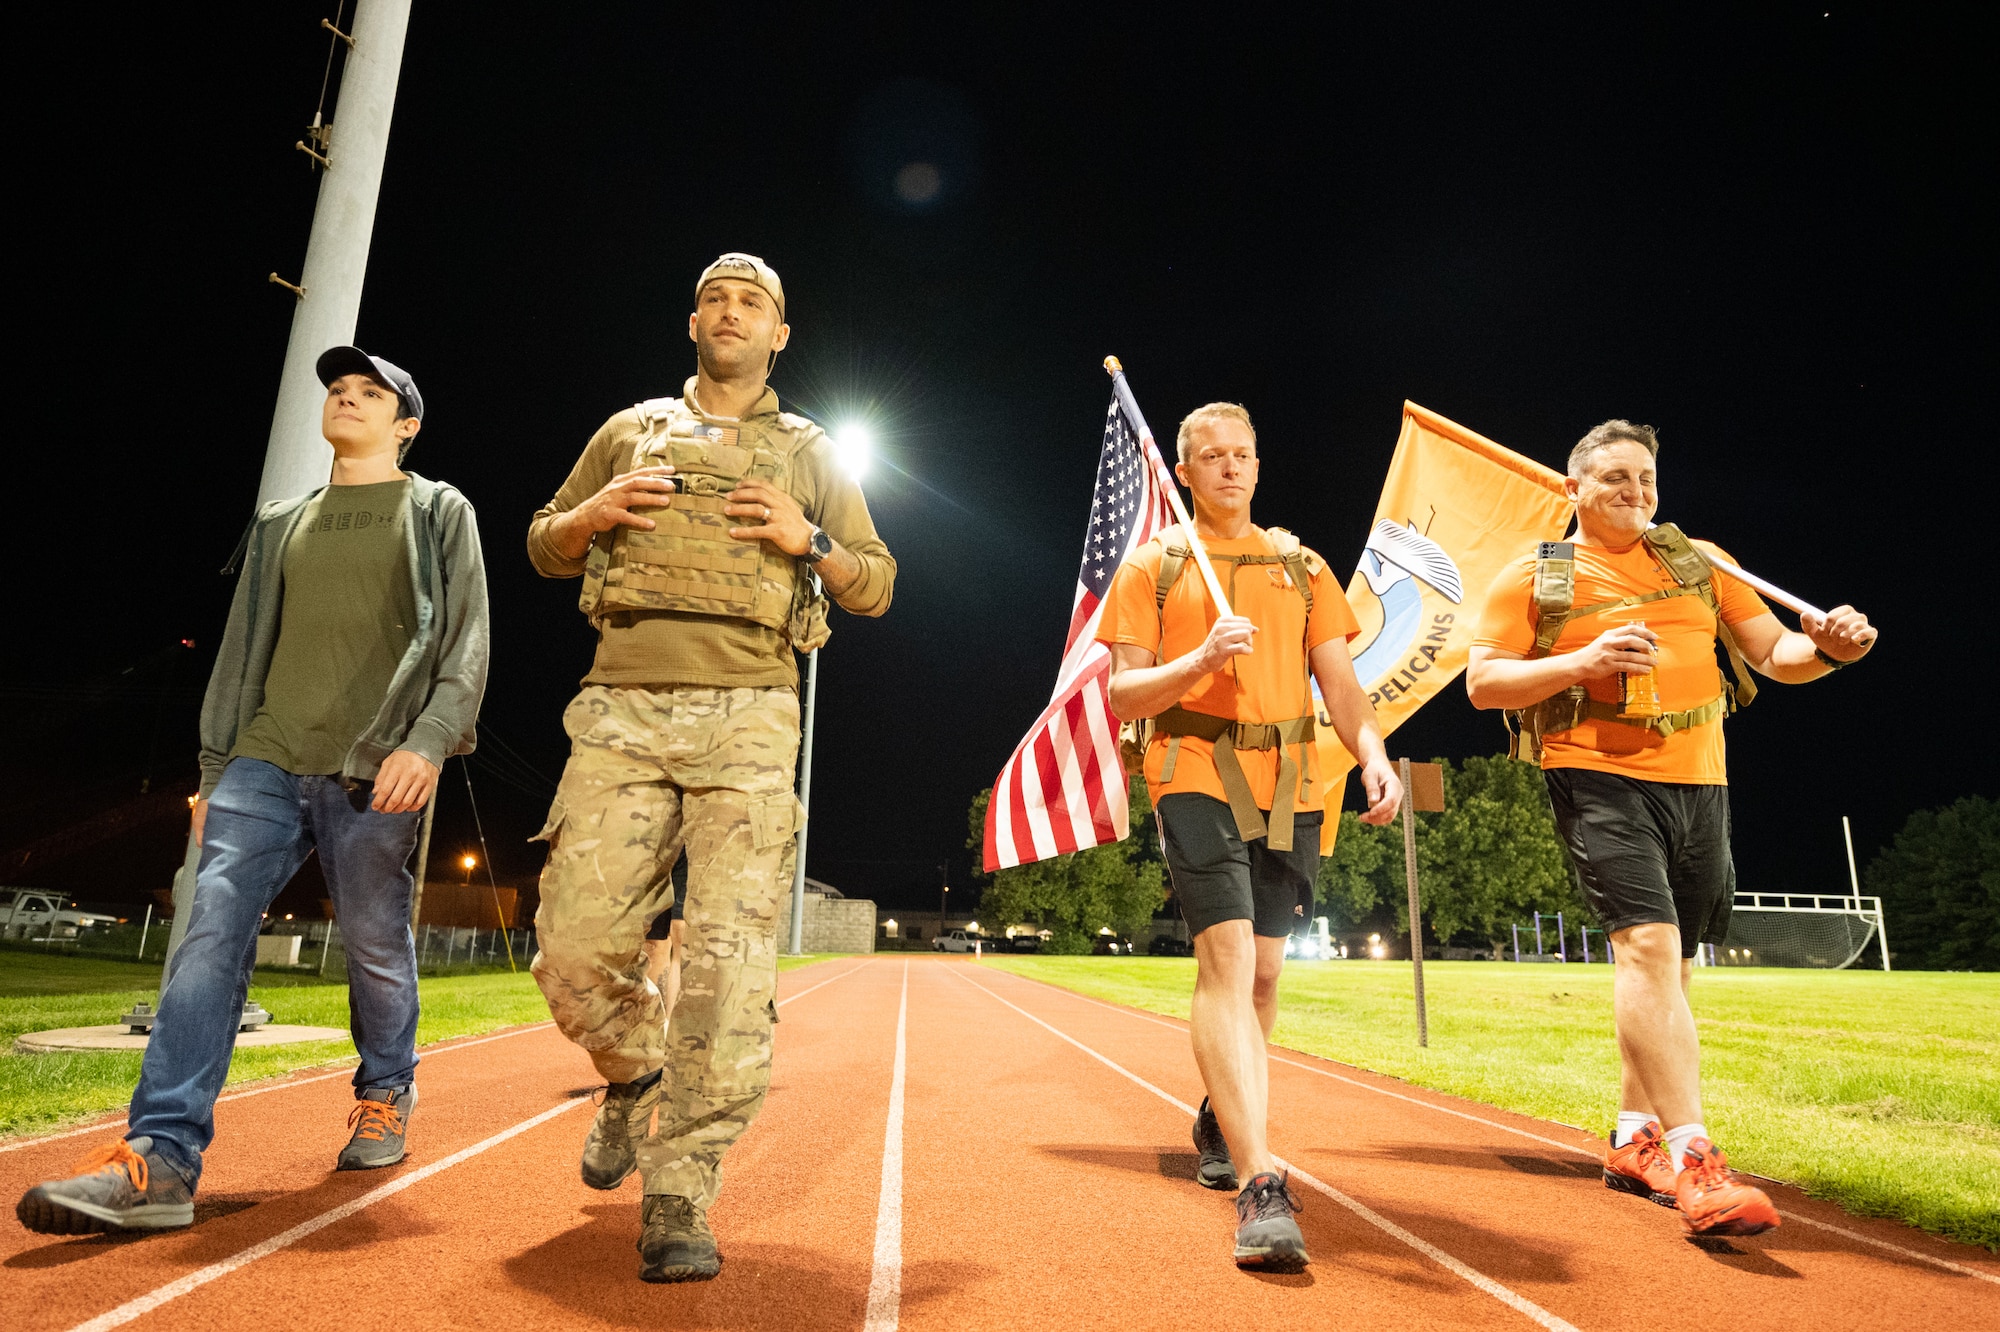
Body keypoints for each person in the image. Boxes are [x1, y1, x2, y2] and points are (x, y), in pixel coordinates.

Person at [17, 348, 490, 1236]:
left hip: (374, 764)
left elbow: (466, 642)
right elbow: (240, 655)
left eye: (370, 393)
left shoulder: (437, 510)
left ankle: (386, 1091)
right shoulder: (282, 521)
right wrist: (212, 772)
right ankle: (160, 1157)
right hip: (261, 761)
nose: (346, 398)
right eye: (337, 390)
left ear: (406, 425)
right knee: (210, 934)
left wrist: (426, 743)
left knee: (375, 945)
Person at [525, 253, 895, 1283]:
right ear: (693, 320)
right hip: (621, 708)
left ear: (779, 337)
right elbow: (542, 543)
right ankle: (637, 1073)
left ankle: (680, 1188)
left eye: (755, 305)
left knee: (729, 972)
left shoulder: (812, 452)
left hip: (751, 714)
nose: (733, 313)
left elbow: (875, 586)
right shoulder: (627, 431)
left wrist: (808, 537)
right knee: (568, 949)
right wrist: (592, 518)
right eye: (718, 299)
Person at [1466, 419, 1875, 1238]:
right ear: (1572, 489)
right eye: (1616, 478)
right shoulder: (1538, 577)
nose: (1637, 493)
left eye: (1647, 479)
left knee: (1675, 967)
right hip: (1597, 777)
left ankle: (1631, 1137)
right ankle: (1695, 1158)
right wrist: (1581, 663)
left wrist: (1830, 649)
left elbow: (1773, 654)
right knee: (1646, 949)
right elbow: (1484, 682)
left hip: (1701, 780)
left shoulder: (1702, 561)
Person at [1101, 402, 1402, 1272]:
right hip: (1193, 769)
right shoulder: (1153, 568)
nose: (1231, 468)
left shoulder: (1301, 567)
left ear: (1258, 466)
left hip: (1293, 782)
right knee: (1228, 959)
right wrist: (1197, 661)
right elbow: (1124, 696)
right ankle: (1261, 1183)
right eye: (1212, 457)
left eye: (1244, 455)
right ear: (1185, 471)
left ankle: (1217, 1113)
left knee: (1267, 973)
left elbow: (1342, 688)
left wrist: (1372, 756)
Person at [643, 857, 690, 1020]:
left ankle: (671, 1033)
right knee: (653, 948)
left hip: (691, 851)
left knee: (681, 939)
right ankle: (653, 1026)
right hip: (656, 852)